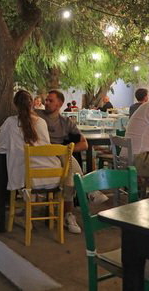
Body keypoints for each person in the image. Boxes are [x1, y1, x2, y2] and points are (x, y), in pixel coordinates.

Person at [36, 89, 109, 233]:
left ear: (60, 104)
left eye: (50, 100)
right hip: (40, 156)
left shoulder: (66, 122)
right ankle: (88, 190)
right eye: (46, 100)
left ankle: (68, 215)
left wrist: (66, 149)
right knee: (68, 160)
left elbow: (84, 144)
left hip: (60, 155)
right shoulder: (37, 115)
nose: (46, 103)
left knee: (68, 168)